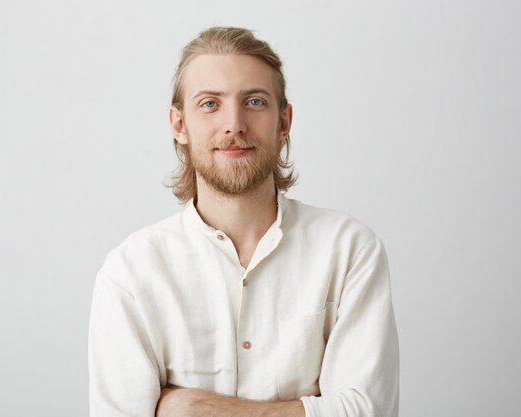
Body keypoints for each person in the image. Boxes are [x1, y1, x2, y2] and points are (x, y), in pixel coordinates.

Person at [89, 26, 399, 417]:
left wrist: (190, 407)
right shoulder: (131, 271)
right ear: (179, 124)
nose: (234, 124)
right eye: (209, 104)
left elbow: (367, 411)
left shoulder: (348, 249)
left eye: (254, 101)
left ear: (283, 122)